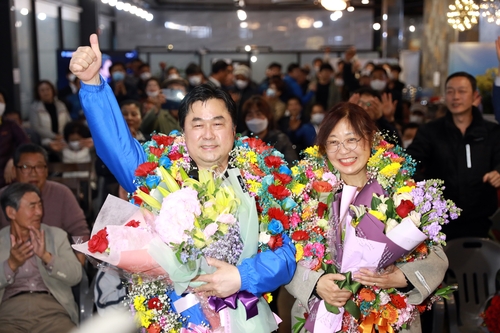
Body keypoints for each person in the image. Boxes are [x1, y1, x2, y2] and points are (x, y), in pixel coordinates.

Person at [69, 34, 296, 332]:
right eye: (197, 124)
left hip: (244, 313)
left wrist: (242, 276)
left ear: (234, 128)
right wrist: (93, 85)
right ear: (183, 132)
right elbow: (117, 147)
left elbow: (288, 252)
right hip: (178, 315)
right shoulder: (161, 177)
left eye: (218, 123)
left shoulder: (261, 178)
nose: (208, 134)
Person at [286, 102, 448, 333]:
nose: (344, 150)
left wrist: (402, 277)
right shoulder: (306, 194)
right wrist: (315, 283)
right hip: (319, 314)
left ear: (371, 139)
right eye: (333, 142)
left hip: (387, 318)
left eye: (352, 139)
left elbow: (436, 255)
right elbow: (283, 255)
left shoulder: (401, 192)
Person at [407, 72, 500, 240]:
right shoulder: (430, 131)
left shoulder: (491, 131)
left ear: (475, 96)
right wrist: (427, 190)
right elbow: (410, 162)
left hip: (482, 222)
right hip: (441, 223)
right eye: (450, 91)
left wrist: (498, 172)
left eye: (462, 91)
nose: (455, 97)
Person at [0, 182, 82, 332]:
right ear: (11, 212)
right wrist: (10, 265)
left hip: (53, 312)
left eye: (40, 205)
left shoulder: (57, 236)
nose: (39, 212)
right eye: (32, 206)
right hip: (8, 314)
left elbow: (76, 275)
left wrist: (47, 257)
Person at [0, 144, 90, 265]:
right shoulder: (3, 196)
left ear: (47, 170)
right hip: (12, 266)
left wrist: (78, 265)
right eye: (26, 167)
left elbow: (80, 231)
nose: (34, 173)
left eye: (39, 166)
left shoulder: (62, 194)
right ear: (14, 171)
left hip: (56, 265)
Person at [241, 96, 297, 164]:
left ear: (268, 116)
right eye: (250, 115)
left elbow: (292, 164)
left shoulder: (281, 140)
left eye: (259, 114)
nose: (255, 119)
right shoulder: (241, 141)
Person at [29, 80, 71, 157]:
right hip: (44, 139)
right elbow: (36, 127)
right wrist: (54, 136)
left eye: (48, 89)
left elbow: (69, 122)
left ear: (52, 90)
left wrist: (63, 135)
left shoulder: (61, 105)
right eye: (42, 90)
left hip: (63, 137)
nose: (46, 92)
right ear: (38, 93)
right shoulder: (34, 108)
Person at [0, 90, 30, 188]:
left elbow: (26, 144)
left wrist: (13, 159)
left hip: (7, 177)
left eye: (0, 101)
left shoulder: (11, 124)